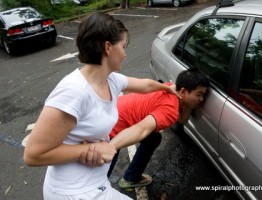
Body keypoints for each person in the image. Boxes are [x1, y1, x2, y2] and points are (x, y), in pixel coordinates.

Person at [23, 12, 179, 200]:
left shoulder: (110, 80)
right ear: (108, 47)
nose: (125, 53)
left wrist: (168, 88)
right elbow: (33, 155)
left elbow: (145, 85)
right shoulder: (74, 92)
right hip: (73, 192)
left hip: (95, 182)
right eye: (123, 46)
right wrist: (91, 150)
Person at [80, 68, 210, 189]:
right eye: (199, 94)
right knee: (97, 184)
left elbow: (182, 120)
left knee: (153, 138)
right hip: (109, 130)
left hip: (110, 112)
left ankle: (132, 177)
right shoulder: (170, 110)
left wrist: (190, 103)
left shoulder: (170, 87)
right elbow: (142, 129)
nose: (201, 99)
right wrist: (110, 147)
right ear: (182, 91)